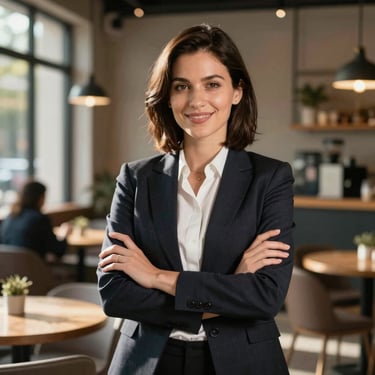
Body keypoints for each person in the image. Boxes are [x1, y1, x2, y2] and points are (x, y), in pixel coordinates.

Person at [97, 23, 294, 375]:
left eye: (212, 84)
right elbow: (115, 293)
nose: (196, 100)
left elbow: (266, 297)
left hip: (242, 360)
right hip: (147, 360)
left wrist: (156, 277)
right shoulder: (135, 178)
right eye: (181, 86)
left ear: (237, 92)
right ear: (167, 96)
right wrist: (231, 287)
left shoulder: (271, 179)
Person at [0, 180, 71, 260]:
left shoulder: (10, 218)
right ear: (40, 198)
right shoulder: (40, 219)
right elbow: (58, 251)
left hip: (8, 269)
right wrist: (64, 235)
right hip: (33, 269)